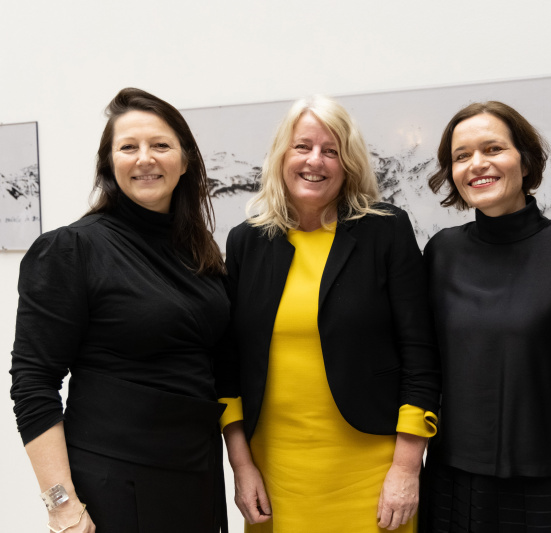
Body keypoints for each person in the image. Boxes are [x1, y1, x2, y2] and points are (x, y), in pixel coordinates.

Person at [10, 88, 229, 532]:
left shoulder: (198, 252)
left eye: (160, 145)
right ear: (109, 164)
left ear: (185, 161)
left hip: (196, 476)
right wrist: (61, 505)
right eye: (128, 147)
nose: (144, 158)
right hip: (115, 483)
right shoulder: (72, 248)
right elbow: (33, 382)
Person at [217, 95, 440, 532]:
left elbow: (420, 354)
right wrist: (241, 467)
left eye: (331, 150)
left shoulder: (385, 230)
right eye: (302, 146)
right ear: (282, 154)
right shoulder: (246, 243)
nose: (314, 161)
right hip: (275, 471)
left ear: (348, 163)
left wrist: (407, 468)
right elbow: (227, 364)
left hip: (373, 472)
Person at [420, 101, 551, 532]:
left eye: (493, 148)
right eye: (461, 156)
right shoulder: (441, 253)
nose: (477, 164)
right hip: (454, 481)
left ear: (524, 158)